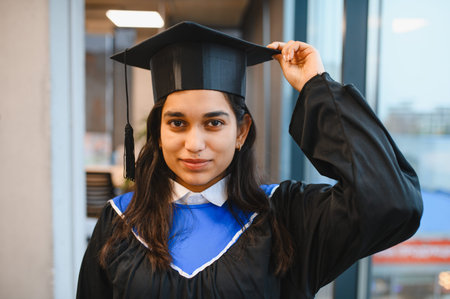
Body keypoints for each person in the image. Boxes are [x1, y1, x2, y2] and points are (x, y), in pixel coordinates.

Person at [76, 22, 423, 299]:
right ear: (159, 131)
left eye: (214, 123)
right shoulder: (120, 219)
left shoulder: (286, 216)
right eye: (177, 123)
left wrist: (316, 88)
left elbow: (391, 201)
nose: (194, 144)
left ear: (241, 131)